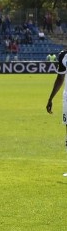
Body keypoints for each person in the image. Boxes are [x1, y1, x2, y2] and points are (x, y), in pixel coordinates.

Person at [45, 47, 67, 177]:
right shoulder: (63, 56)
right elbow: (60, 78)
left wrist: (50, 99)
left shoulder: (64, 56)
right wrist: (51, 98)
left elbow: (60, 79)